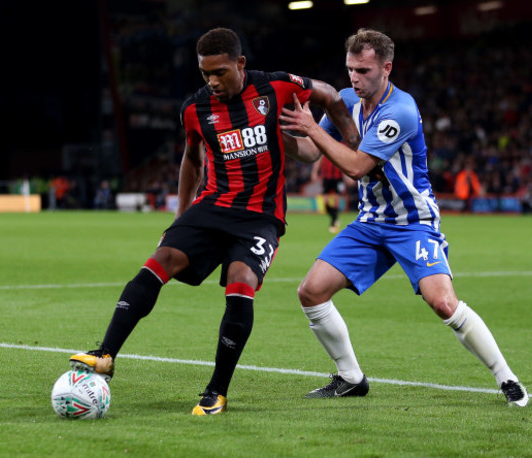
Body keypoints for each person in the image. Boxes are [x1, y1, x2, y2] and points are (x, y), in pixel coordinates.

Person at [69, 28, 359, 415]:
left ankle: (216, 391)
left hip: (260, 215)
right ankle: (105, 354)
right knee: (159, 261)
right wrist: (179, 217)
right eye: (206, 73)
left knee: (241, 283)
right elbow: (191, 158)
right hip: (211, 206)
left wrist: (352, 139)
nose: (212, 81)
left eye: (220, 72)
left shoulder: (276, 87)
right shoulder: (195, 108)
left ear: (240, 63)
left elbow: (328, 93)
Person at [279, 28, 529, 406]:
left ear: (386, 68)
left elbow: (358, 167)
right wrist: (270, 131)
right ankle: (350, 378)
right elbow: (311, 153)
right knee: (311, 292)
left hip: (413, 223)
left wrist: (313, 125)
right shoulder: (345, 101)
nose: (354, 78)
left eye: (363, 70)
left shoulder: (400, 111)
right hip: (370, 222)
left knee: (443, 303)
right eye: (350, 69)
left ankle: (506, 377)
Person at [311, 156, 345, 233]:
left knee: (336, 202)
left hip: (338, 178)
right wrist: (314, 172)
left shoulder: (341, 147)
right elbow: (318, 160)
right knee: (325, 203)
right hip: (327, 178)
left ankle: (333, 224)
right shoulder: (325, 149)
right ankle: (335, 218)